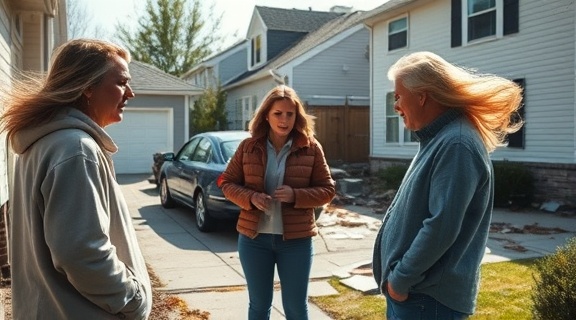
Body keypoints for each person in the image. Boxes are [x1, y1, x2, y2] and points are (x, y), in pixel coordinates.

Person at [0, 39, 152, 319]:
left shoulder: (41, 144)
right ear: (87, 86)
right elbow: (82, 254)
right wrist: (134, 300)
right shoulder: (76, 149)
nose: (130, 93)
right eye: (121, 82)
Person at [372, 51, 523, 319]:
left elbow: (441, 225)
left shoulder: (457, 144)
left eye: (398, 97)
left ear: (422, 96)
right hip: (419, 297)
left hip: (427, 300)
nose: (395, 106)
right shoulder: (441, 138)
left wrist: (400, 280)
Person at [219, 85, 336, 320]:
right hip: (254, 241)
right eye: (278, 114)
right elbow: (226, 182)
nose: (284, 120)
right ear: (266, 115)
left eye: (289, 114)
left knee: (295, 307)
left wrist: (296, 195)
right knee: (259, 306)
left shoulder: (311, 148)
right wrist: (251, 197)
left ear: (297, 116)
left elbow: (328, 190)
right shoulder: (248, 147)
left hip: (296, 242)